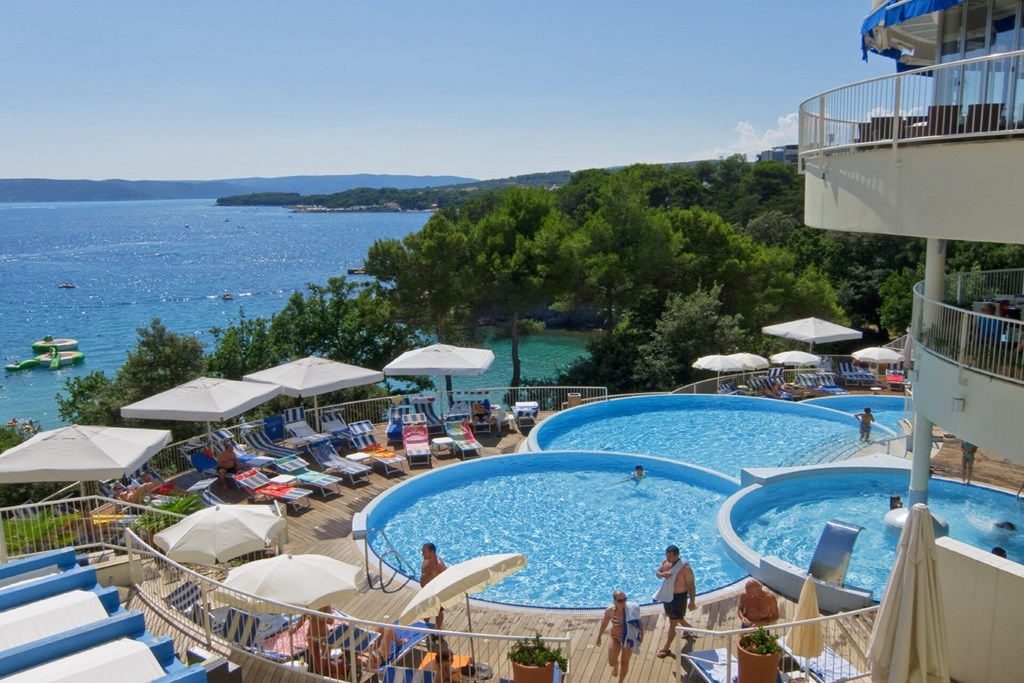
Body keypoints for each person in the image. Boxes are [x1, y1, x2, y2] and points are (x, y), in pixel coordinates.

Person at [652, 544, 696, 659]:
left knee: (673, 622)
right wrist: (662, 574)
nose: (668, 558)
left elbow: (691, 585)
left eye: (670, 556)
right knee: (674, 617)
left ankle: (666, 647)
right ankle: (689, 628)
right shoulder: (665, 562)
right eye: (667, 555)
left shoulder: (685, 568)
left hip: (678, 597)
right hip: (668, 594)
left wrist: (692, 601)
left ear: (676, 555)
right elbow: (657, 573)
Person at [596, 590, 642, 682]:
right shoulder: (610, 611)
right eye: (620, 601)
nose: (623, 602)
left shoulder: (631, 610)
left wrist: (641, 636)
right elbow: (605, 623)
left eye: (624, 599)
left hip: (628, 638)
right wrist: (599, 636)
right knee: (612, 662)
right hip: (615, 636)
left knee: (625, 662)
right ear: (614, 601)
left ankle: (620, 681)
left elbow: (639, 622)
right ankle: (616, 666)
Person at [291, 605, 341, 677]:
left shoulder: (325, 605)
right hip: (311, 635)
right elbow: (303, 617)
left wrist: (321, 618)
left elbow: (331, 621)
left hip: (324, 636)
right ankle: (323, 678)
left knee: (326, 661)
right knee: (317, 661)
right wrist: (294, 629)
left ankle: (340, 676)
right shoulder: (309, 605)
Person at [421, 542, 448, 630]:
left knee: (438, 612)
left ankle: (439, 628)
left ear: (432, 552)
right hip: (426, 592)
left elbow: (447, 576)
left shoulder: (439, 565)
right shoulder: (425, 559)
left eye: (424, 552)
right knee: (425, 610)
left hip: (435, 592)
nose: (422, 554)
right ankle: (425, 626)